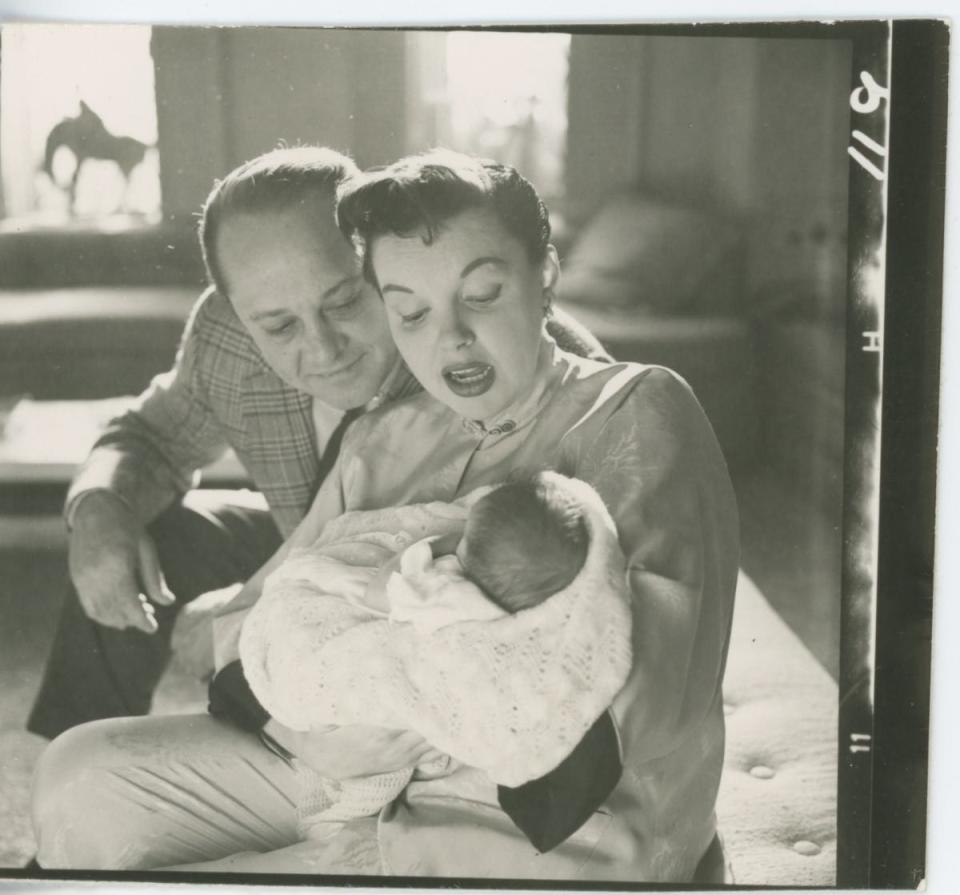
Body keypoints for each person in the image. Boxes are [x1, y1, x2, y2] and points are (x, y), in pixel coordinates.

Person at [32, 150, 739, 883]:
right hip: (345, 766)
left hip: (546, 825)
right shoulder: (383, 436)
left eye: (485, 293)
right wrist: (301, 701)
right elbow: (251, 622)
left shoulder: (634, 408)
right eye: (411, 311)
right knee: (75, 778)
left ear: (546, 277)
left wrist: (379, 709)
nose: (451, 337)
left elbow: (637, 690)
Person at [27, 145, 605, 743]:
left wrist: (245, 618)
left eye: (346, 301)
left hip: (437, 607)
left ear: (383, 260)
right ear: (237, 316)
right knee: (138, 532)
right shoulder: (227, 337)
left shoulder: (506, 350)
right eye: (279, 327)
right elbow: (148, 436)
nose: (324, 350)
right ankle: (69, 768)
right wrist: (98, 508)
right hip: (301, 548)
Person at [239, 472, 629, 842]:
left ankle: (331, 822)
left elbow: (380, 594)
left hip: (358, 711)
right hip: (390, 747)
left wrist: (433, 545)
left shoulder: (442, 587)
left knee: (353, 779)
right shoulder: (508, 615)